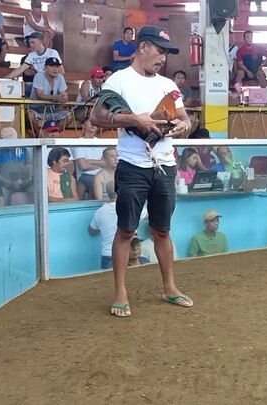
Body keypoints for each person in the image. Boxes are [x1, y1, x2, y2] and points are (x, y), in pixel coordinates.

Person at [89, 25, 193, 317]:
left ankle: (169, 287)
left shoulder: (168, 85)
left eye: (167, 53)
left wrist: (183, 125)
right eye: (160, 51)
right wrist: (136, 120)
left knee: (162, 230)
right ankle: (120, 292)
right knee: (126, 230)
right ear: (143, 47)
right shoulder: (119, 80)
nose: (163, 58)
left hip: (165, 165)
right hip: (133, 166)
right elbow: (97, 116)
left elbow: (185, 119)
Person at [28, 57, 68, 136]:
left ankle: (53, 134)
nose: (55, 69)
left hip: (52, 110)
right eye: (52, 66)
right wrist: (57, 97)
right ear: (45, 67)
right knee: (30, 115)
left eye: (57, 66)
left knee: (69, 115)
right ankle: (39, 136)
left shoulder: (60, 77)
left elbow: (62, 95)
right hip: (36, 109)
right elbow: (40, 95)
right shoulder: (39, 76)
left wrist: (63, 98)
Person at [88, 181, 119, 270]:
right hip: (126, 253)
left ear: (107, 193)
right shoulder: (128, 206)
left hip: (107, 254)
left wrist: (103, 227)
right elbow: (148, 216)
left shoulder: (100, 211)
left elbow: (91, 230)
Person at [71, 128, 105, 200]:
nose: (92, 124)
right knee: (93, 180)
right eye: (90, 122)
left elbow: (107, 162)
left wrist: (90, 161)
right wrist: (101, 164)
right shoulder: (79, 142)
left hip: (102, 174)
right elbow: (83, 166)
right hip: (84, 176)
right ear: (83, 125)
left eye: (94, 122)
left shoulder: (101, 141)